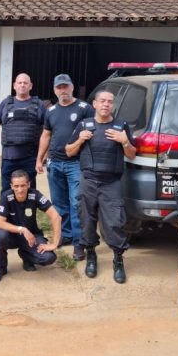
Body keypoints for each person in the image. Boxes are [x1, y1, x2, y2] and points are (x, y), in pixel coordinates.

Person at [65, 90, 136, 284]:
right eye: (102, 101)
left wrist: (125, 141)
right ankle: (91, 255)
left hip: (111, 183)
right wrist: (80, 139)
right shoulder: (84, 125)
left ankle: (118, 260)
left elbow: (131, 154)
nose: (106, 104)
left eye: (110, 102)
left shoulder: (121, 126)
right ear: (94, 104)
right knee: (87, 221)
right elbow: (69, 151)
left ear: (113, 105)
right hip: (88, 181)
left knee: (114, 223)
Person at [35, 74, 95, 260]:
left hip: (76, 164)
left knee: (76, 203)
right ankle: (66, 235)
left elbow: (93, 133)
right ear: (55, 90)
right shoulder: (51, 111)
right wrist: (39, 159)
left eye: (66, 86)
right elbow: (46, 135)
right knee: (59, 203)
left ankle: (79, 243)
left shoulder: (85, 108)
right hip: (55, 163)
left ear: (72, 87)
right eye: (59, 87)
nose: (63, 90)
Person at [0, 170, 62, 283]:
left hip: (31, 237)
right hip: (10, 236)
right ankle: (0, 268)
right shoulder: (6, 196)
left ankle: (26, 256)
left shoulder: (35, 195)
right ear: (11, 186)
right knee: (0, 236)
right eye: (16, 186)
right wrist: (22, 229)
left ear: (28, 184)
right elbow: (0, 223)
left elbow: (56, 217)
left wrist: (55, 243)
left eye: (23, 185)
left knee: (49, 257)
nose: (20, 190)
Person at [0, 73, 44, 190]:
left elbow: (47, 130)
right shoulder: (6, 103)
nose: (22, 85)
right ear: (14, 85)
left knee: (29, 190)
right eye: (20, 83)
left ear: (31, 86)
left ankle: (28, 204)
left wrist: (43, 155)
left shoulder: (39, 104)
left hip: (30, 157)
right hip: (9, 157)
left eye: (25, 83)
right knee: (7, 190)